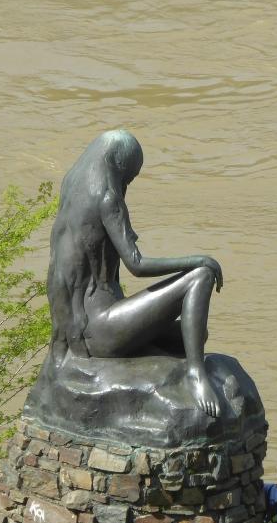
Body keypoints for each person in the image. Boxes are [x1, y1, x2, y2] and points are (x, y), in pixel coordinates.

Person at [45, 128, 225, 417]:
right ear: (120, 166)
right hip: (103, 329)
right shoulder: (107, 198)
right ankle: (195, 374)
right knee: (201, 276)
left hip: (82, 332)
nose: (128, 182)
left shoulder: (73, 189)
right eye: (130, 175)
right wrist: (197, 260)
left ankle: (180, 361)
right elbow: (137, 265)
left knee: (194, 334)